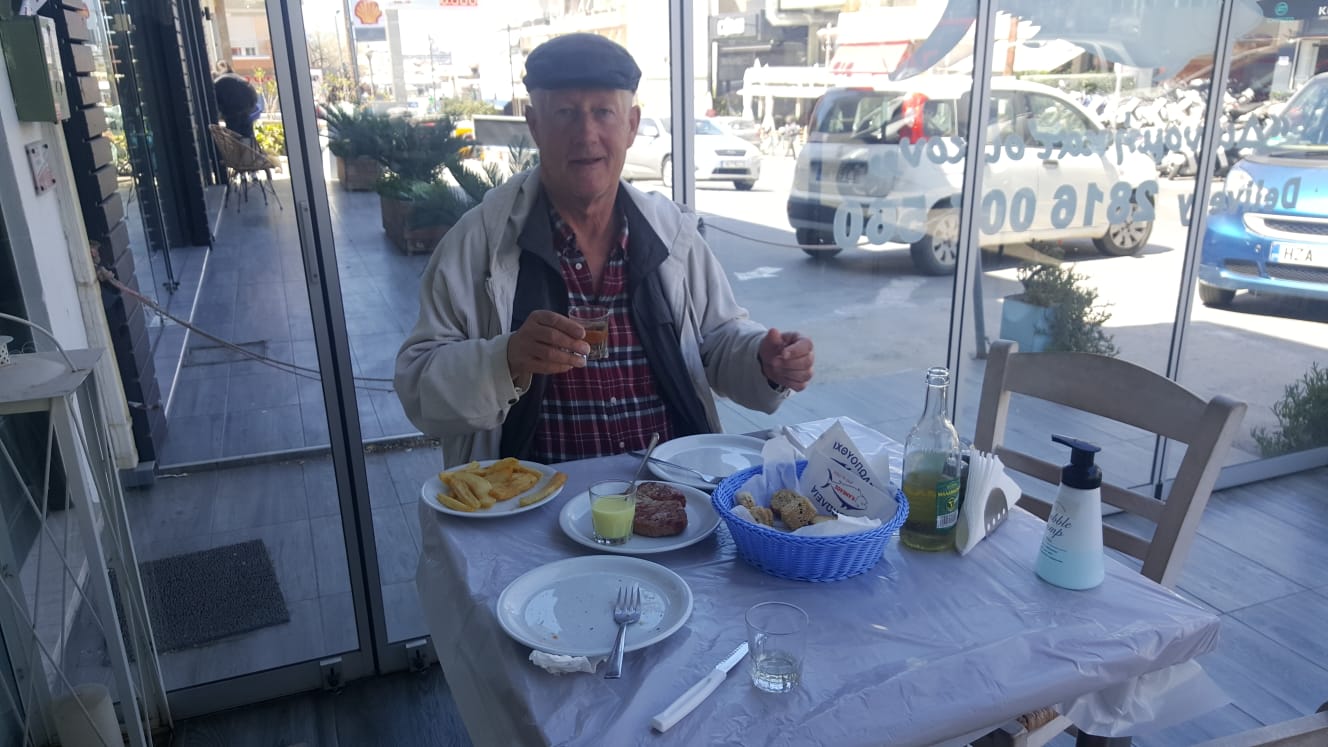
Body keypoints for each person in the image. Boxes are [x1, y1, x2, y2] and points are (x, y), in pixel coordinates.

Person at [394, 33, 814, 466]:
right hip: (534, 499)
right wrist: (508, 358)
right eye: (565, 113)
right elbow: (417, 386)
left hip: (671, 489)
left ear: (631, 125)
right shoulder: (480, 241)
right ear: (534, 125)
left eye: (603, 112)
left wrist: (763, 360)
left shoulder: (672, 234)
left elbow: (717, 341)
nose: (586, 134)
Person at [213, 62, 259, 140]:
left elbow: (215, 105)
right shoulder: (240, 79)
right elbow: (254, 97)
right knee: (247, 137)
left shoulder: (218, 83)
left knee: (234, 138)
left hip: (232, 113)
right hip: (245, 110)